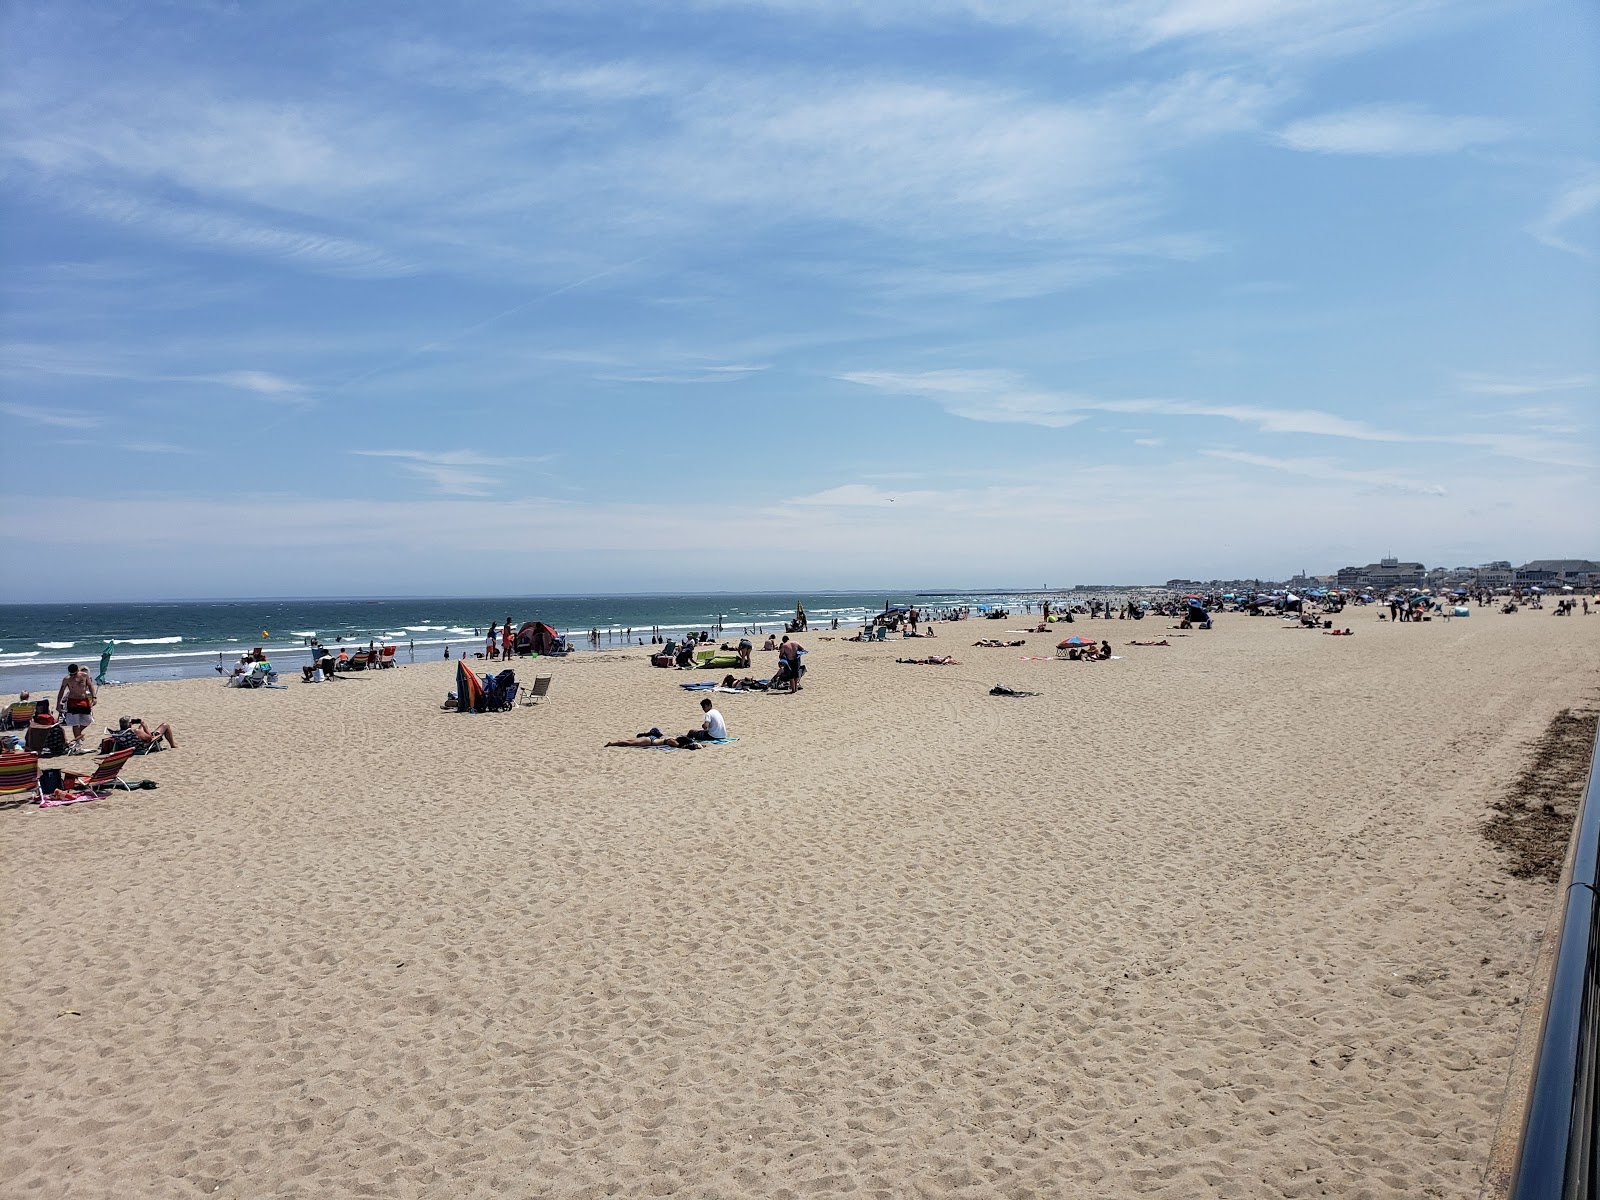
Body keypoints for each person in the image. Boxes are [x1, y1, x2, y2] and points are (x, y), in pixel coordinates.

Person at [56, 663, 97, 752]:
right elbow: (61, 691)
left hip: (84, 700)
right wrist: (58, 704)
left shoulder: (84, 676)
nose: (73, 676)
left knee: (88, 720)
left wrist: (94, 697)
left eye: (74, 674)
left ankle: (78, 735)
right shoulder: (67, 679)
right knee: (75, 723)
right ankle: (78, 744)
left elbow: (90, 686)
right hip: (72, 701)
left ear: (78, 670)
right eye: (71, 674)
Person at [108, 715, 179, 751]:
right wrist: (145, 727)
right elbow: (150, 738)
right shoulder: (135, 731)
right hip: (143, 746)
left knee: (140, 727)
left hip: (131, 744)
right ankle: (173, 745)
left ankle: (143, 728)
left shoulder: (118, 733)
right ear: (130, 724)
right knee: (165, 725)